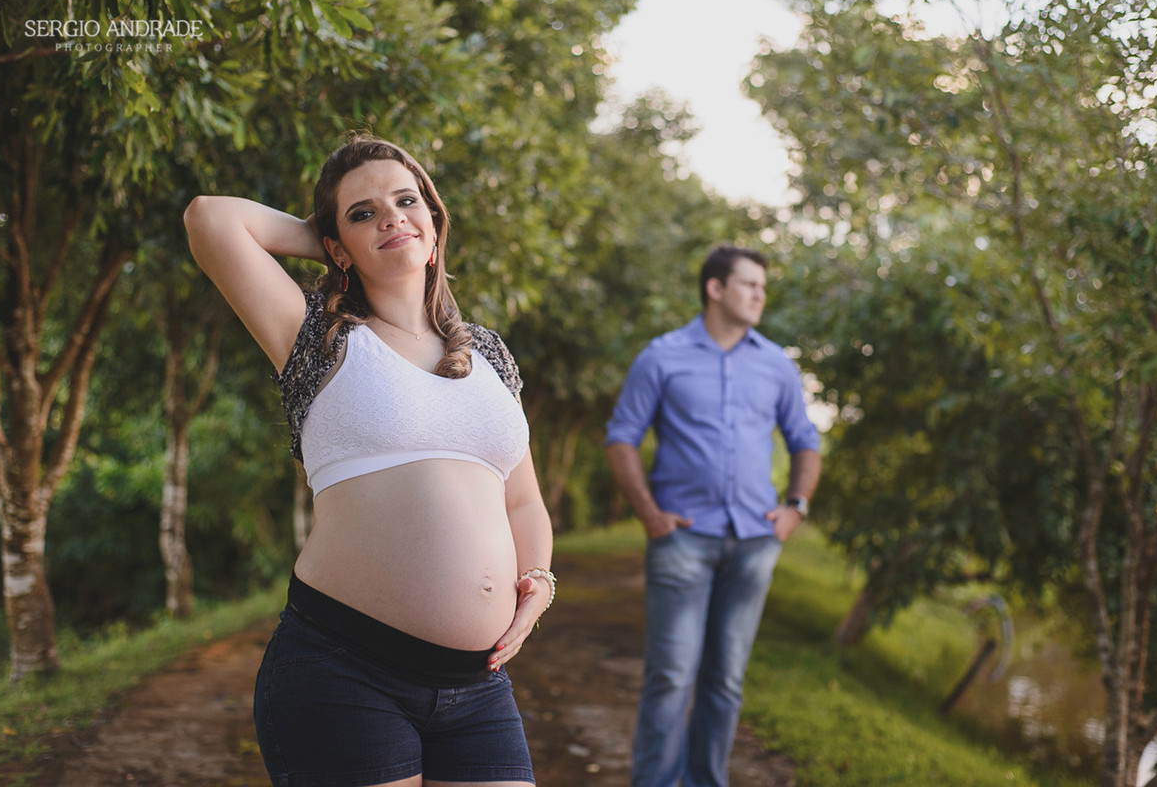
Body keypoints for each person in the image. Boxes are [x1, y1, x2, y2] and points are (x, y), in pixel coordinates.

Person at [183, 133, 554, 787]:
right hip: (343, 671)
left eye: (408, 201)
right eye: (363, 213)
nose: (389, 216)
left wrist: (540, 582)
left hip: (479, 687)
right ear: (335, 245)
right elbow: (211, 218)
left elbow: (521, 498)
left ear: (437, 224)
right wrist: (329, 234)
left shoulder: (489, 354)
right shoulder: (316, 336)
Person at [605, 244, 822, 787]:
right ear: (715, 288)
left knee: (726, 681)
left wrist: (795, 508)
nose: (759, 296)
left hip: (755, 542)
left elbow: (805, 441)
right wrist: (650, 514)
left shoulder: (775, 363)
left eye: (762, 288)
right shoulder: (662, 356)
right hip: (683, 540)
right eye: (749, 284)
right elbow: (622, 438)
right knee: (672, 676)